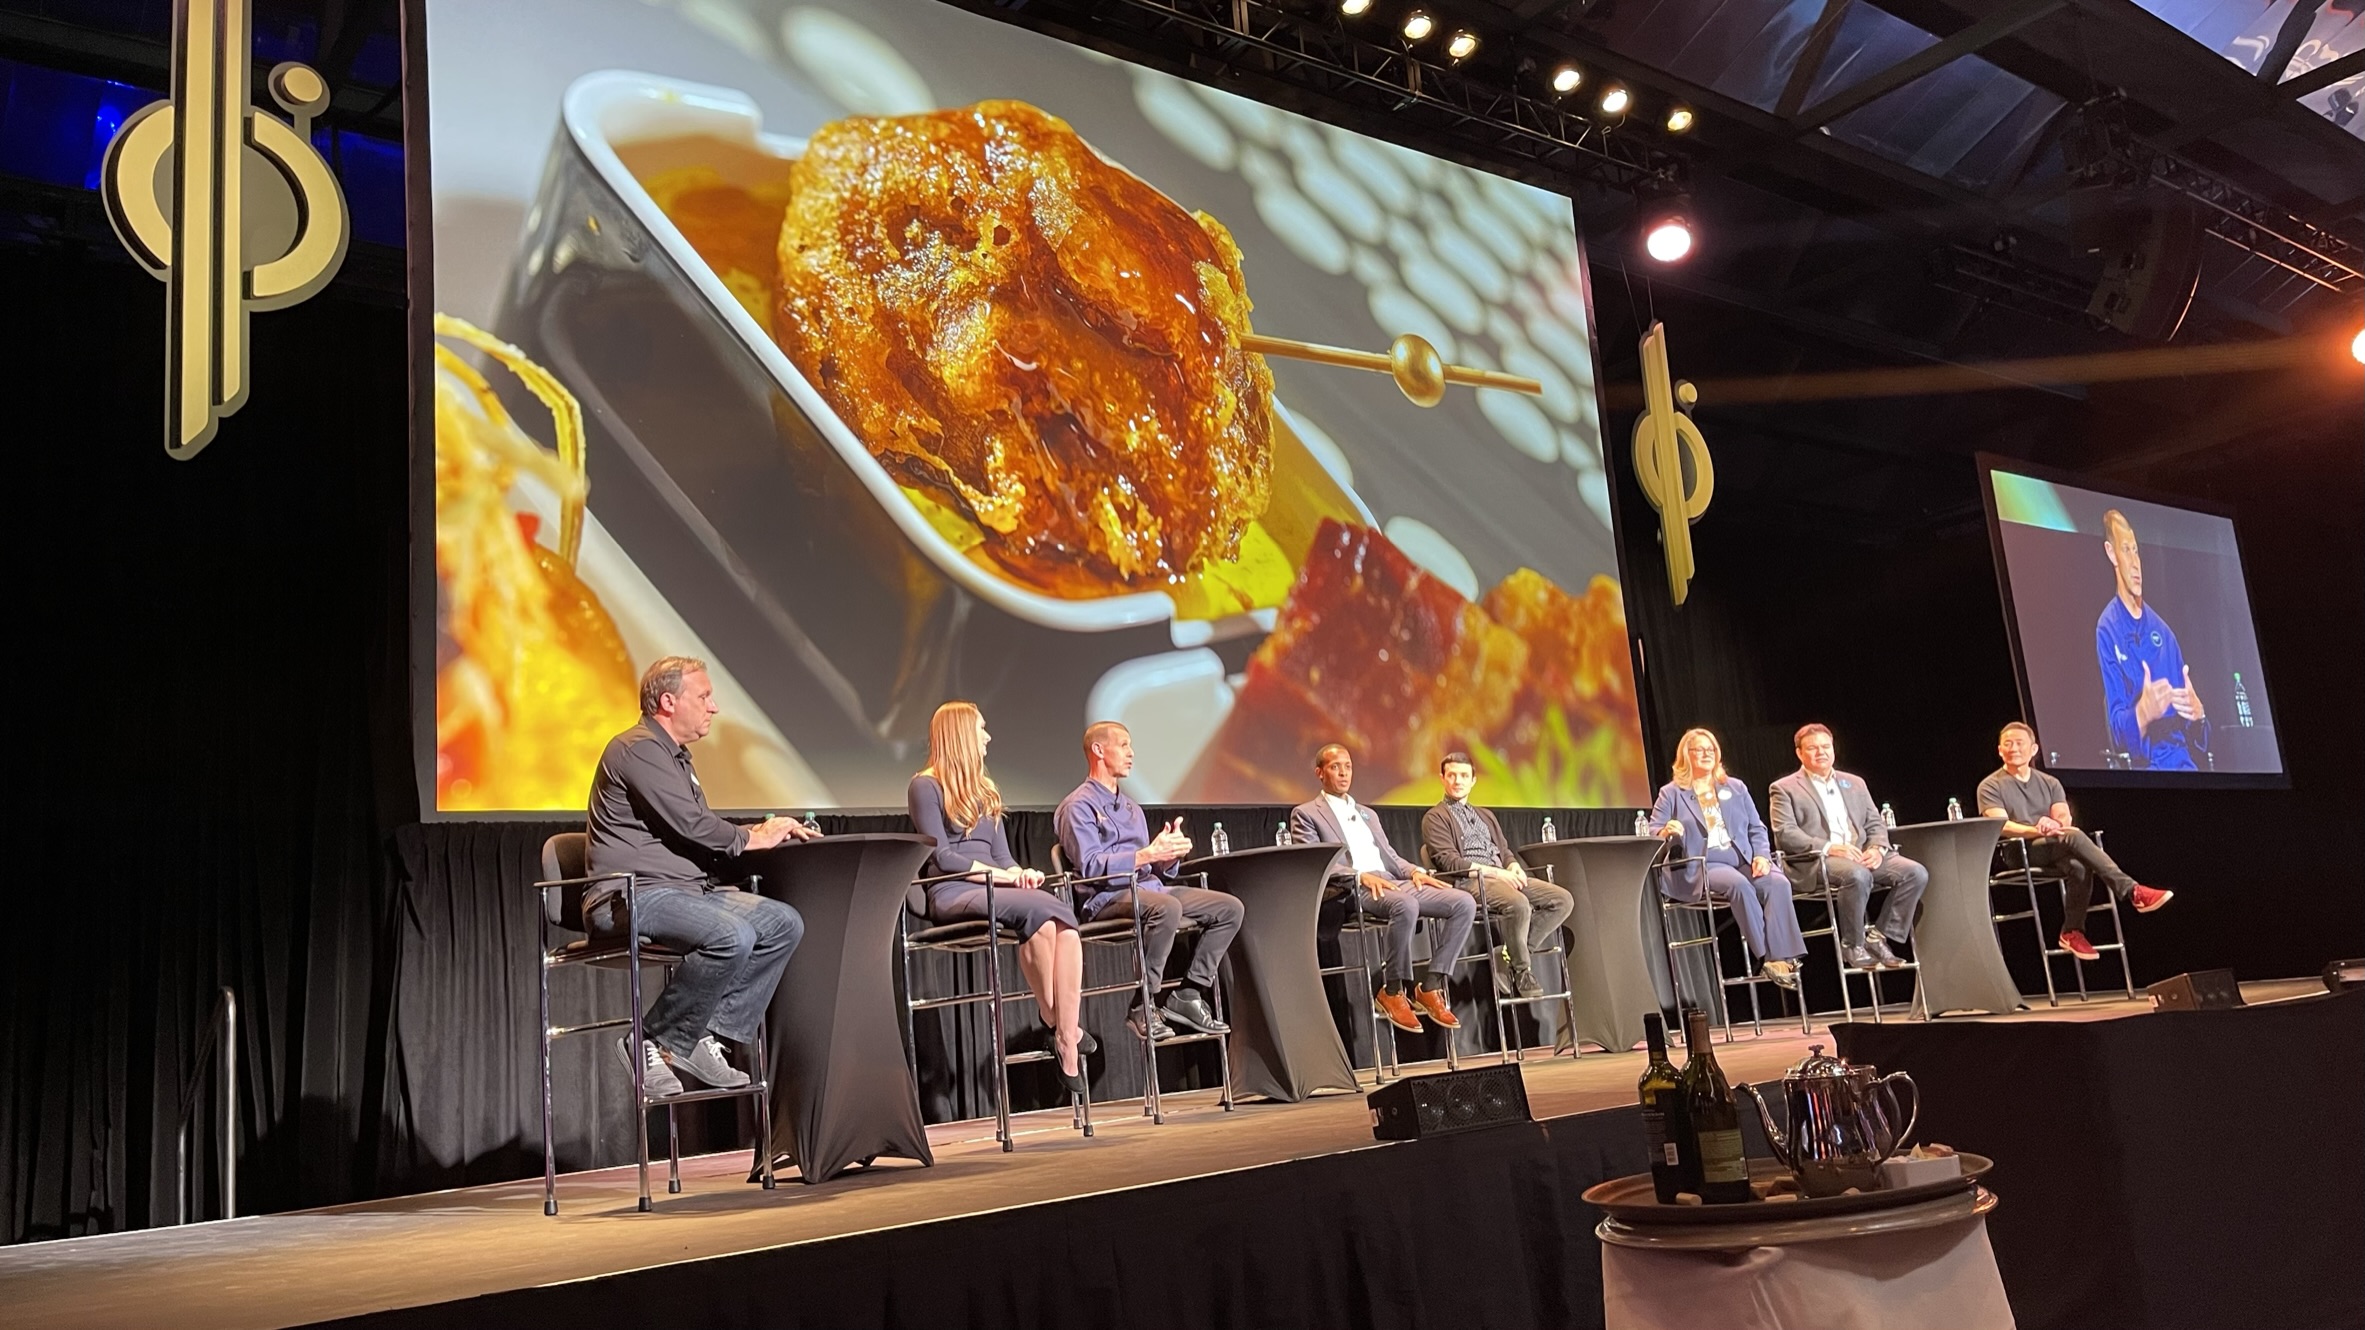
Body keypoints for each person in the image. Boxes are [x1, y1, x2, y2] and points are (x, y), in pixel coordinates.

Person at [587, 656, 820, 1098]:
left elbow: (696, 827)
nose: (713, 707)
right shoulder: (638, 749)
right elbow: (693, 825)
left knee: (782, 924)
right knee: (732, 936)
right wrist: (754, 837)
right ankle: (648, 1040)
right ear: (668, 701)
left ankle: (694, 1034)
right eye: (704, 696)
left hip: (685, 891)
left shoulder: (675, 757)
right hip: (632, 895)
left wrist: (761, 832)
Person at [908, 702, 1088, 1094]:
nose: (987, 737)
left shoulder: (986, 791)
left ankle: (1060, 1029)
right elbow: (942, 857)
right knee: (1043, 912)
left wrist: (1020, 873)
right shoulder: (925, 786)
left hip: (996, 886)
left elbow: (1002, 857)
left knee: (1057, 924)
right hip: (953, 890)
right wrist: (1001, 876)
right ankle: (1066, 1031)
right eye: (981, 729)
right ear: (960, 735)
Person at [1054, 722, 1242, 1041]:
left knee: (1230, 909)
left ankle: (1189, 993)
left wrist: (1167, 855)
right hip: (1105, 897)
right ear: (1098, 750)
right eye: (1123, 745)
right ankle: (1143, 1004)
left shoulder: (1132, 808)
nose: (1131, 753)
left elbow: (1155, 871)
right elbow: (1090, 866)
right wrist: (1147, 854)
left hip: (1148, 890)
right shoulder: (1077, 806)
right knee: (1166, 907)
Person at [1292, 744, 1477, 1034]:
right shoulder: (1306, 814)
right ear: (1320, 773)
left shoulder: (1367, 813)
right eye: (1335, 767)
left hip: (1391, 881)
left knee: (1463, 902)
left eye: (1348, 766)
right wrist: (1360, 876)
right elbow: (1314, 863)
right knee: (1406, 905)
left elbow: (1390, 856)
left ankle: (1430, 985)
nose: (1343, 773)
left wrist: (1416, 872)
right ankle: (1392, 990)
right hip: (1353, 887)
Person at [1978, 721, 2173, 960]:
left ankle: (2071, 931)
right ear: (2000, 750)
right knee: (2074, 835)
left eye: (2019, 743)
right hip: (2020, 851)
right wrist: (2039, 830)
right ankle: (2132, 891)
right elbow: (2002, 826)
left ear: (2034, 749)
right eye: (2008, 744)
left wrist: (2055, 825)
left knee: (2079, 866)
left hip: (2054, 845)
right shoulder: (1990, 785)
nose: (2014, 748)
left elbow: (2063, 817)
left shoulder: (2049, 783)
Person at [1648, 728, 1808, 989]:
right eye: (1699, 750)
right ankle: (1770, 957)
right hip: (1703, 864)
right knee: (1739, 884)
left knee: (1778, 883)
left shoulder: (1735, 787)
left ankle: (1779, 957)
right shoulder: (1672, 792)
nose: (1706, 754)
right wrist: (1666, 831)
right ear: (1686, 755)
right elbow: (1654, 830)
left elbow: (1756, 828)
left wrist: (1762, 856)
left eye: (1710, 749)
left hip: (1743, 859)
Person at [1767, 724, 1927, 972]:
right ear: (1799, 753)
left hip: (1861, 854)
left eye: (1826, 747)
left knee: (1915, 872)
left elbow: (1875, 823)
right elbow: (1785, 833)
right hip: (1819, 860)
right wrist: (1831, 847)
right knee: (1857, 875)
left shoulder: (1854, 783)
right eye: (1813, 748)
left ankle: (1879, 936)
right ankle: (1853, 945)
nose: (1821, 752)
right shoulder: (1784, 788)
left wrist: (1876, 848)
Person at [1420, 752, 1575, 999]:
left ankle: (1510, 955)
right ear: (1442, 778)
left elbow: (1503, 850)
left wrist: (1512, 866)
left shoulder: (1485, 815)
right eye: (1452, 775)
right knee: (1518, 903)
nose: (1458, 781)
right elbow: (1449, 861)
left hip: (1500, 875)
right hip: (1468, 881)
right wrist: (1497, 873)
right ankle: (1522, 970)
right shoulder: (1435, 817)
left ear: (1473, 780)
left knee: (1562, 900)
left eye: (1464, 776)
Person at [2096, 508, 2208, 771]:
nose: (2135, 563)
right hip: (2145, 767)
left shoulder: (2164, 633)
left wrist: (2199, 715)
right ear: (2111, 553)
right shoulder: (2107, 628)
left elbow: (2196, 736)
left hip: (2183, 764)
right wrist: (2143, 713)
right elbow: (2117, 730)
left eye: (2136, 551)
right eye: (2126, 550)